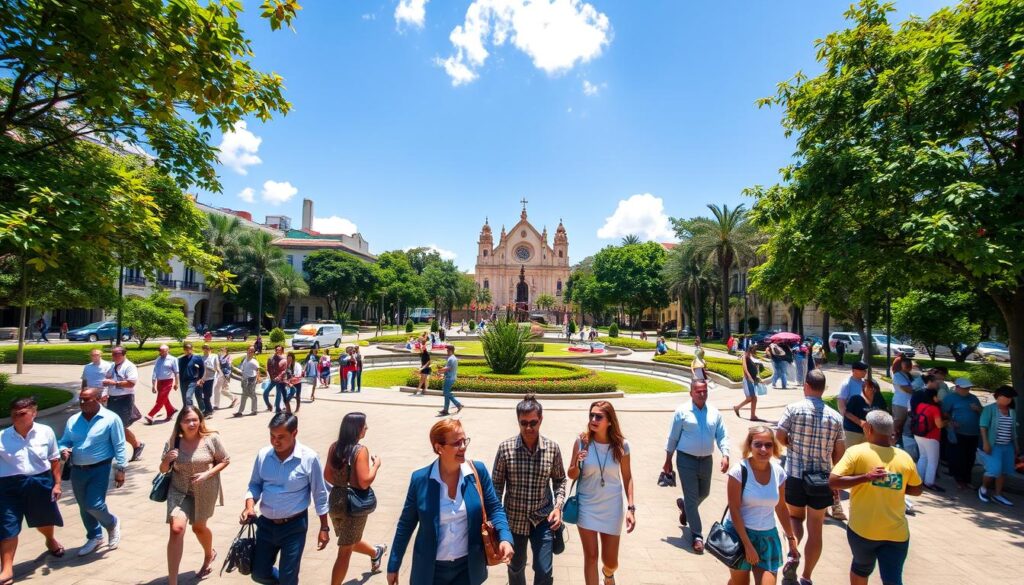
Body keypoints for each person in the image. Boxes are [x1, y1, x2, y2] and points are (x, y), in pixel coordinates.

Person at [387, 418, 514, 585]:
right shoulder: (420, 480)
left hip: (467, 569)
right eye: (456, 443)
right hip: (431, 572)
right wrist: (393, 564)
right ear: (439, 447)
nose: (463, 447)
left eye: (464, 441)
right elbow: (405, 524)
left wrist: (505, 537)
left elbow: (495, 508)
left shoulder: (477, 472)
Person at [829, 410, 923, 585]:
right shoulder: (904, 457)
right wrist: (894, 483)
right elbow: (917, 489)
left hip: (863, 530)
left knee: (861, 568)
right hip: (896, 533)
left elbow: (834, 481)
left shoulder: (856, 452)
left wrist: (866, 477)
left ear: (869, 429)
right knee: (893, 579)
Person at [241, 413, 331, 585]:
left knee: (288, 578)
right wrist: (249, 506)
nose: (275, 441)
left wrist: (324, 527)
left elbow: (320, 494)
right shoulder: (263, 456)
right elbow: (254, 485)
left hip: (294, 527)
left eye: (281, 437)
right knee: (258, 574)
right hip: (265, 525)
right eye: (272, 436)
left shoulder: (309, 458)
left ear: (294, 433)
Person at [775, 370, 845, 585]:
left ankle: (792, 553)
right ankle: (807, 576)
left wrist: (791, 446)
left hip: (796, 474)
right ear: (823, 389)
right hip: (821, 479)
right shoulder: (835, 417)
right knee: (816, 528)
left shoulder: (793, 409)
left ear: (806, 385)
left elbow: (779, 435)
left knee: (795, 518)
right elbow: (840, 451)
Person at [492, 395, 567, 585]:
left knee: (544, 570)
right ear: (518, 421)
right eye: (523, 423)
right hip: (514, 520)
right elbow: (496, 487)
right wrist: (495, 520)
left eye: (533, 422)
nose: (528, 428)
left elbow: (560, 480)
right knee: (515, 568)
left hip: (543, 519)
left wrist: (558, 507)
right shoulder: (506, 449)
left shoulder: (552, 449)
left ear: (541, 420)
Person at [160, 406, 230, 584]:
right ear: (180, 424)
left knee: (198, 528)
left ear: (200, 420)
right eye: (186, 421)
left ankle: (209, 554)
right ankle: (173, 582)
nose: (191, 424)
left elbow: (225, 460)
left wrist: (208, 474)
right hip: (179, 490)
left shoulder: (211, 439)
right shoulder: (173, 441)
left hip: (205, 490)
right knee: (176, 529)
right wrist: (167, 460)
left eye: (195, 420)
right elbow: (163, 470)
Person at [569, 401, 635, 585]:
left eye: (599, 416)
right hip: (587, 505)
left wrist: (631, 508)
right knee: (590, 557)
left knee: (611, 561)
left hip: (612, 508)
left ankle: (608, 574)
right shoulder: (582, 441)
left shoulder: (622, 446)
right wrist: (577, 461)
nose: (593, 419)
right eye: (591, 415)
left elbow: (628, 477)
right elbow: (571, 473)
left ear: (610, 421)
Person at [0, 396, 65, 581]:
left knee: (44, 520)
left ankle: (50, 540)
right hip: (8, 486)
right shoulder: (2, 437)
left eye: (22, 413)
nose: (17, 417)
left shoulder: (46, 432)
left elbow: (54, 459)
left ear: (34, 413)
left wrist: (58, 484)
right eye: (13, 414)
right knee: (7, 526)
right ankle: (6, 569)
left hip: (39, 482)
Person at [725, 425, 800, 585]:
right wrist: (747, 545)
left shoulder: (779, 472)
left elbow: (781, 507)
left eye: (768, 445)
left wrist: (790, 537)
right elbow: (734, 510)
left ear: (774, 447)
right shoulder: (738, 471)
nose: (763, 449)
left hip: (767, 537)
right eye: (758, 444)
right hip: (739, 535)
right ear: (750, 446)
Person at [58, 387, 127, 556]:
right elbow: (64, 440)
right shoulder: (73, 420)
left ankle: (111, 522)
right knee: (83, 506)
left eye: (86, 399)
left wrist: (120, 469)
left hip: (100, 468)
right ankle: (95, 536)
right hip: (78, 469)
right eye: (81, 399)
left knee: (94, 504)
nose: (82, 403)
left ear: (98, 399)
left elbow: (119, 445)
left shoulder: (111, 419)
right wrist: (63, 449)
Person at [663, 380, 729, 554]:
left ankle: (685, 506)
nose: (702, 394)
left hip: (706, 460)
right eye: (698, 391)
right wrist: (668, 459)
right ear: (691, 393)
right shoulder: (682, 412)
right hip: (686, 460)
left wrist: (725, 454)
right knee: (693, 498)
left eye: (704, 391)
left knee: (704, 493)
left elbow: (721, 435)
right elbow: (673, 437)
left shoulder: (714, 413)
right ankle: (697, 536)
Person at [325, 413, 387, 585]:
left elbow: (327, 475)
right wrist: (376, 465)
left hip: (336, 500)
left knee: (348, 539)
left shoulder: (334, 447)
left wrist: (341, 482)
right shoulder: (360, 450)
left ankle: (375, 552)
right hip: (353, 504)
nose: (366, 428)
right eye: (364, 425)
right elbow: (364, 482)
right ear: (357, 429)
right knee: (345, 550)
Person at [978, 385, 1019, 506]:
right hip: (993, 445)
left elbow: (1013, 431)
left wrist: (1016, 445)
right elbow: (983, 427)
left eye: (1010, 398)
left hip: (1007, 446)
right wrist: (986, 443)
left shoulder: (1011, 411)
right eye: (1005, 397)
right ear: (998, 397)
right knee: (993, 470)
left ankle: (998, 494)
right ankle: (983, 488)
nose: (1008, 400)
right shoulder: (989, 409)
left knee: (1004, 471)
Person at [103, 346, 144, 462]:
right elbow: (107, 379)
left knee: (120, 427)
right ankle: (137, 445)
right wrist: (104, 393)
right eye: (113, 354)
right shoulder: (112, 366)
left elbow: (131, 383)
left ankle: (134, 447)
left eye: (116, 354)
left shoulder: (129, 366)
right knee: (113, 426)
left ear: (123, 354)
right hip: (113, 399)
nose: (114, 356)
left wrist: (114, 383)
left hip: (125, 399)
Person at [941, 378, 982, 490]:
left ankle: (967, 479)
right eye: (964, 388)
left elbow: (982, 412)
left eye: (968, 388)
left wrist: (978, 409)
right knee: (959, 457)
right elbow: (944, 413)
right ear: (957, 387)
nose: (967, 390)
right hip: (958, 433)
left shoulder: (973, 398)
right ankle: (959, 479)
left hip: (973, 432)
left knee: (970, 457)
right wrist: (951, 421)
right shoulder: (950, 398)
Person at [910, 387, 946, 492]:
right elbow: (939, 425)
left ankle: (919, 479)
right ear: (933, 397)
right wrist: (947, 422)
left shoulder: (920, 405)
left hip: (919, 434)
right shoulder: (934, 408)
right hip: (931, 437)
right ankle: (929, 482)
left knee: (923, 457)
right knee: (932, 461)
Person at [842, 379, 888, 448]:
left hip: (871, 433)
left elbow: (885, 412)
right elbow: (847, 413)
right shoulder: (855, 398)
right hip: (853, 432)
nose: (871, 389)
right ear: (863, 388)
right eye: (869, 387)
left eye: (873, 387)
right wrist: (861, 422)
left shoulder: (879, 398)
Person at [147, 344, 180, 424]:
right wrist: (153, 385)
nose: (160, 352)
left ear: (167, 351)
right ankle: (171, 410)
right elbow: (155, 372)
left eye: (162, 351)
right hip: (159, 382)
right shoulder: (158, 359)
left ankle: (150, 415)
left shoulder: (173, 359)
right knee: (164, 398)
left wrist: (176, 383)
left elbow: (176, 372)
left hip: (168, 381)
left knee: (160, 399)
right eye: (160, 350)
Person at [734, 345, 763, 422]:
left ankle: (752, 415)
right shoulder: (745, 356)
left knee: (754, 398)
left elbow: (756, 368)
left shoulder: (752, 357)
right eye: (754, 349)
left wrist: (758, 377)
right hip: (747, 380)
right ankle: (737, 407)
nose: (755, 350)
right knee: (750, 398)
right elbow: (745, 367)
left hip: (753, 379)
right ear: (750, 349)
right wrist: (749, 377)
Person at [890, 359, 915, 446]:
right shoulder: (898, 375)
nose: (909, 366)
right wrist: (918, 390)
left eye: (909, 364)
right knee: (898, 423)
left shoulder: (909, 375)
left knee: (906, 424)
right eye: (906, 365)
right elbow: (907, 389)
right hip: (900, 403)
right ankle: (891, 441)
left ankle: (900, 442)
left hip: (908, 404)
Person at [234, 345, 262, 417]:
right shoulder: (245, 359)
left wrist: (258, 378)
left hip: (251, 379)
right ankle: (241, 411)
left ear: (253, 353)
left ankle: (253, 410)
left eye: (252, 351)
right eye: (249, 350)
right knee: (245, 395)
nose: (250, 352)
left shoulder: (254, 361)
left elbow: (258, 370)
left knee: (251, 394)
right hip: (244, 379)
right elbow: (242, 368)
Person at [178, 341, 205, 409]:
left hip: (192, 381)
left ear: (192, 349)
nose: (188, 351)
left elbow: (202, 368)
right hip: (183, 381)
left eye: (189, 349)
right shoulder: (181, 360)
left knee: (188, 397)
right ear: (184, 350)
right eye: (186, 349)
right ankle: (186, 412)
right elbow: (178, 371)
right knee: (184, 399)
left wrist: (200, 378)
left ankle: (193, 411)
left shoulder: (197, 358)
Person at [438, 345, 464, 416]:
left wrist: (440, 370)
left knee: (446, 393)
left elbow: (448, 368)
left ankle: (458, 404)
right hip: (450, 377)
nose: (446, 351)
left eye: (447, 350)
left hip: (449, 378)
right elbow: (448, 368)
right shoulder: (453, 358)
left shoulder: (451, 359)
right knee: (446, 394)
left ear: (451, 350)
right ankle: (446, 410)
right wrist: (442, 371)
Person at [264, 345, 288, 412]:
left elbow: (284, 370)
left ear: (282, 351)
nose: (278, 351)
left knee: (278, 393)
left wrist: (280, 377)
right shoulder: (272, 358)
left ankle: (278, 408)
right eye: (277, 349)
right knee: (265, 392)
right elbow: (269, 368)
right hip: (273, 379)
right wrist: (272, 377)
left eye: (279, 350)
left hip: (280, 379)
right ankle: (269, 405)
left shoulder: (284, 359)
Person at [199, 344, 218, 417]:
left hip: (210, 378)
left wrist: (210, 368)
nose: (206, 350)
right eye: (204, 348)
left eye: (207, 348)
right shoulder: (201, 358)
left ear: (210, 349)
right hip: (202, 378)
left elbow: (216, 368)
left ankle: (209, 410)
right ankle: (208, 410)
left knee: (208, 395)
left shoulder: (214, 356)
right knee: (203, 395)